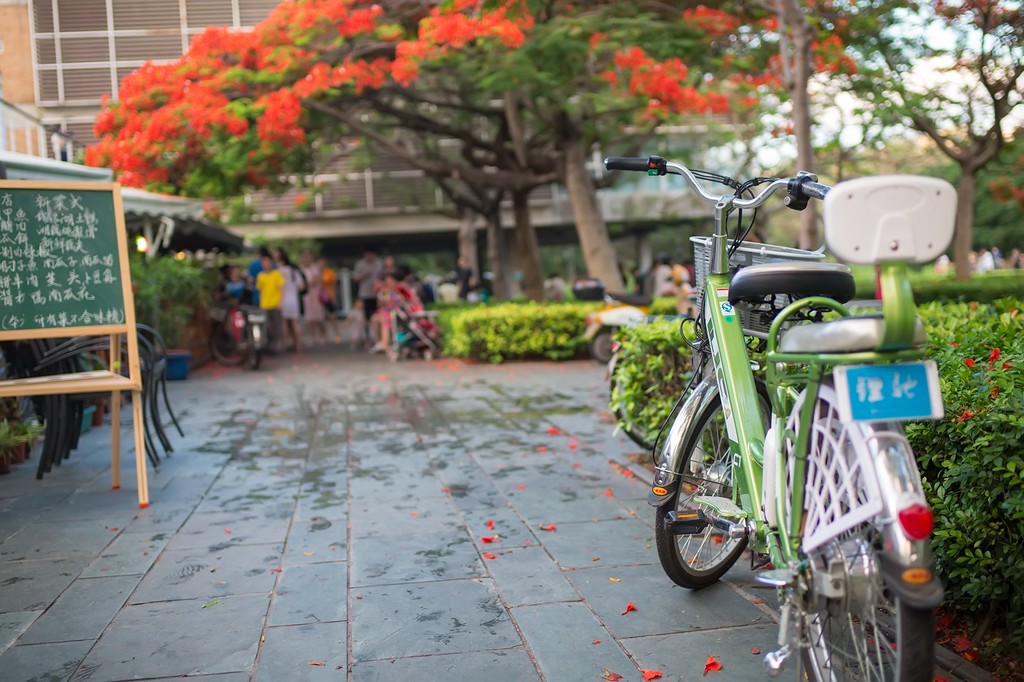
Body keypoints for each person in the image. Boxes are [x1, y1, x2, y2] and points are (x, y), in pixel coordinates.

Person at [276, 248, 305, 353]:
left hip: (282, 300)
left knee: (284, 324)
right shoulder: (294, 271)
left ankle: (284, 345)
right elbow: (301, 286)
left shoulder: (279, 272)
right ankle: (298, 346)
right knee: (295, 323)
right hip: (294, 300)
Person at [255, 252, 284, 354]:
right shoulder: (260, 276)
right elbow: (260, 290)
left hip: (275, 304)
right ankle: (267, 345)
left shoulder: (276, 274)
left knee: (276, 327)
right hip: (264, 305)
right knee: (266, 327)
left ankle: (274, 346)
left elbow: (281, 289)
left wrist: (280, 302)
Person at [352, 248, 383, 342]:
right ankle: (366, 336)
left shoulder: (379, 263)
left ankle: (378, 337)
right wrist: (364, 275)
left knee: (378, 315)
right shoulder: (360, 264)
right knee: (365, 317)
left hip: (377, 295)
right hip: (365, 294)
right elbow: (355, 278)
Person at [300, 251, 327, 346]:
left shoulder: (314, 268)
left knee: (319, 318)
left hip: (315, 295)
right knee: (309, 318)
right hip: (306, 296)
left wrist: (308, 283)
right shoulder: (301, 269)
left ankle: (323, 336)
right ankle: (313, 337)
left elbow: (316, 280)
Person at [318, 256, 343, 343]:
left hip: (328, 296)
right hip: (319, 297)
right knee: (322, 318)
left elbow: (333, 284)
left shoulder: (329, 272)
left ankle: (337, 335)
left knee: (332, 316)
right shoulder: (316, 273)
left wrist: (334, 297)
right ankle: (324, 336)